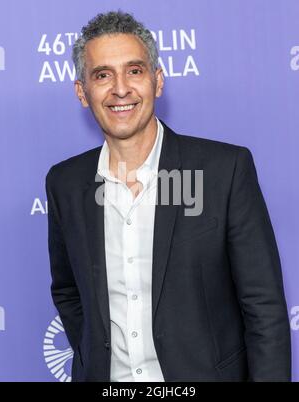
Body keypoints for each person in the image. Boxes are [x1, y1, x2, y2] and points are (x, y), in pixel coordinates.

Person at [45, 10, 291, 382]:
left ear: (157, 81)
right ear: (82, 92)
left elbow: (264, 310)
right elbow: (68, 292)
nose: (121, 88)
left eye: (135, 70)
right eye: (102, 75)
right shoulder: (64, 183)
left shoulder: (224, 171)